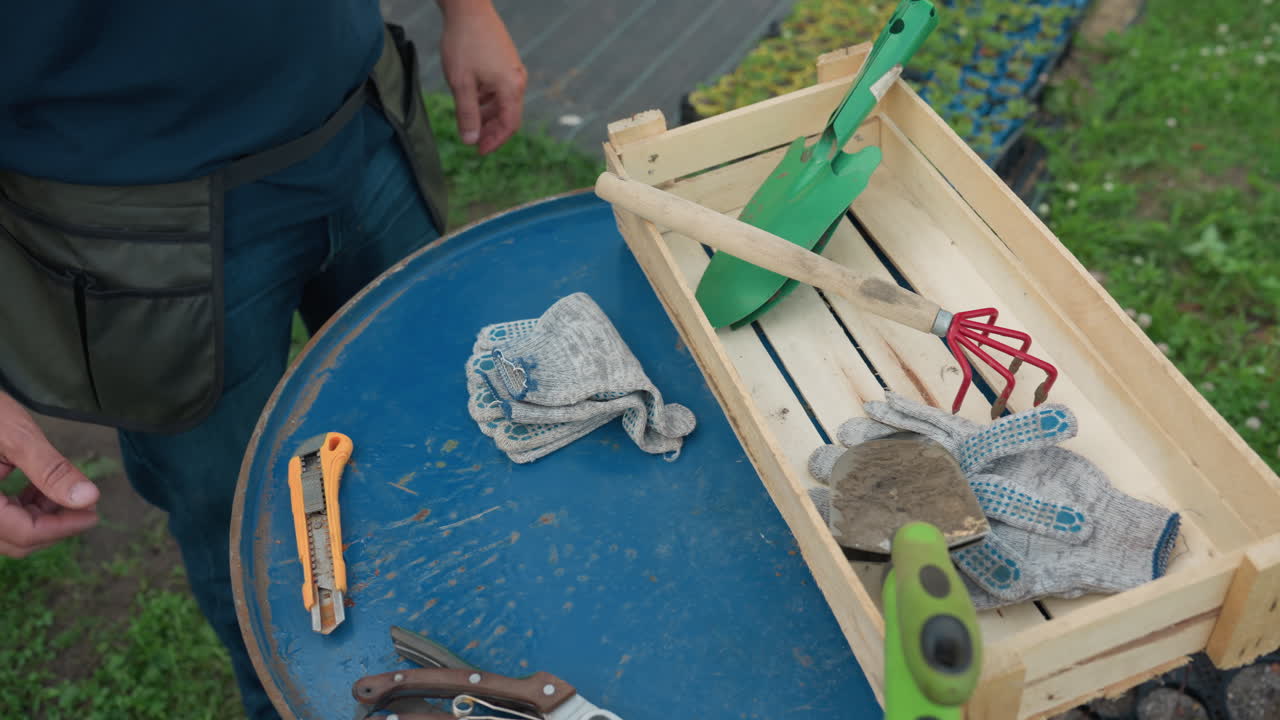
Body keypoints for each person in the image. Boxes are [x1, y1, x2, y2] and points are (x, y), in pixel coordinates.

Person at [0, 2, 527, 717]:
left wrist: (468, 10)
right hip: (133, 229)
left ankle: (493, 647)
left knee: (457, 430)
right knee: (249, 539)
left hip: (359, 118)